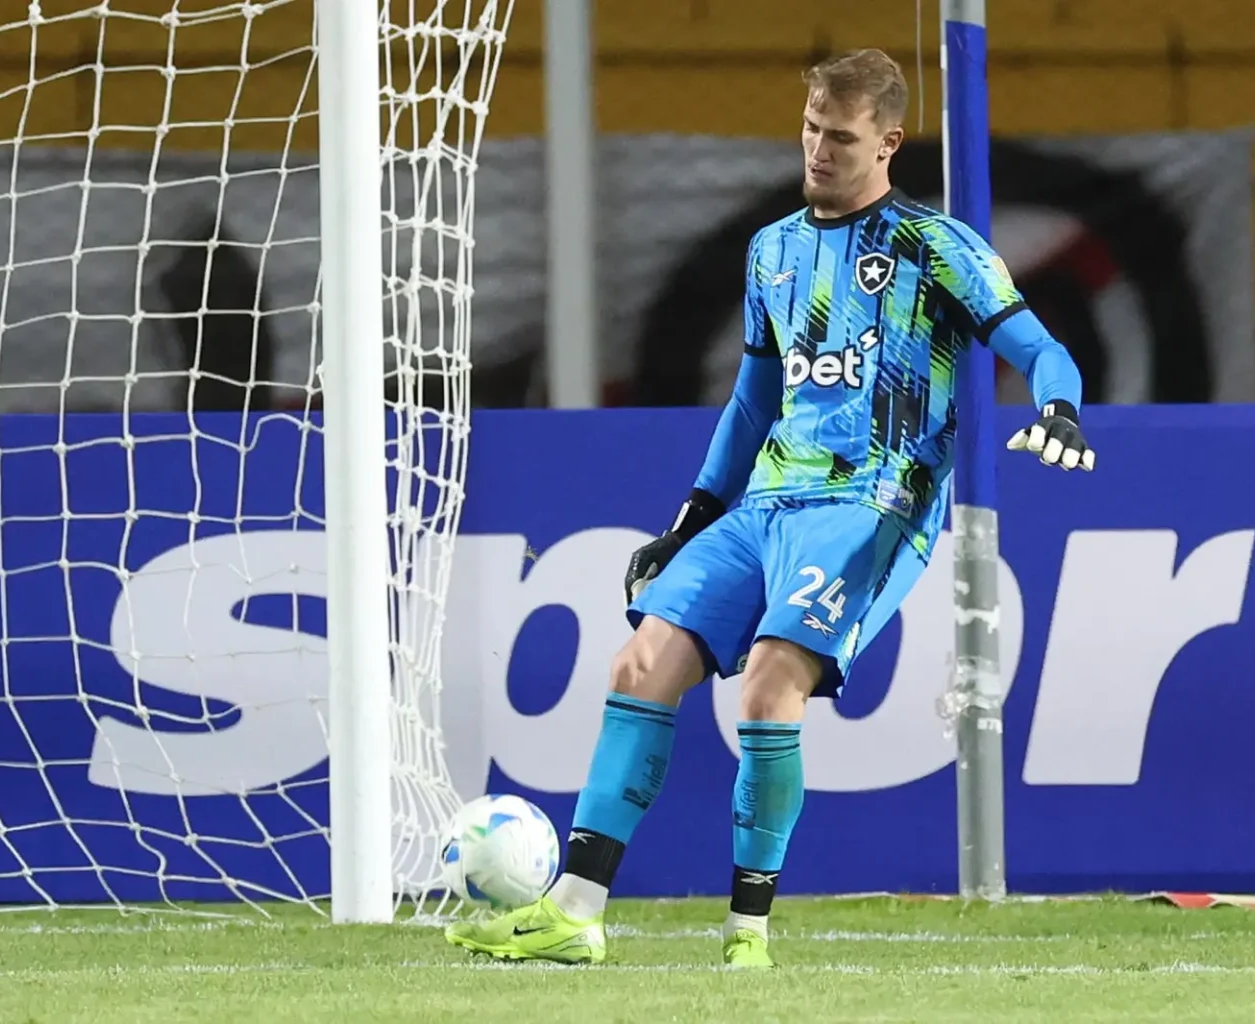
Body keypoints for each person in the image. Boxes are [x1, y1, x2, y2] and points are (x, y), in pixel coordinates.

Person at [445, 47, 1093, 969]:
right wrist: (691, 518)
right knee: (640, 664)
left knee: (768, 683)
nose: (820, 151)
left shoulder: (936, 248)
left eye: (843, 138)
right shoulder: (773, 250)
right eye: (811, 130)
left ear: (888, 143)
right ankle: (576, 914)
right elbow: (753, 404)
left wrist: (1060, 409)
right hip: (765, 502)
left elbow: (1039, 348)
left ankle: (746, 930)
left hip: (872, 503)